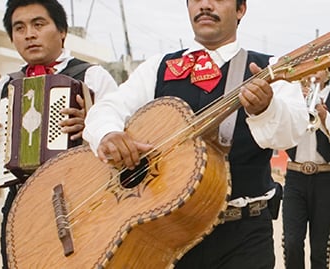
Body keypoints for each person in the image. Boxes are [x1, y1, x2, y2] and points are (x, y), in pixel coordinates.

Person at [83, 0, 307, 267]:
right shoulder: (159, 67)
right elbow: (108, 108)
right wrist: (108, 133)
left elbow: (291, 134)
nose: (205, 5)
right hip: (169, 235)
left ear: (240, 9)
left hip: (244, 235)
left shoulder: (269, 68)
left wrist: (267, 109)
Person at [0, 0, 120, 267]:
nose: (29, 34)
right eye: (19, 28)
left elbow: (122, 129)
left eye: (39, 24)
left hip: (84, 198)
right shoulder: (6, 83)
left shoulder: (93, 76)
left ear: (62, 31)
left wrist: (92, 127)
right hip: (22, 201)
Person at [282, 66, 330, 269]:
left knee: (321, 249)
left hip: (324, 177)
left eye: (320, 68)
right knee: (292, 242)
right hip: (295, 175)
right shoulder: (291, 100)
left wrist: (323, 116)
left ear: (329, 73)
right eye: (309, 67)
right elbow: (281, 136)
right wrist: (296, 104)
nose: (314, 72)